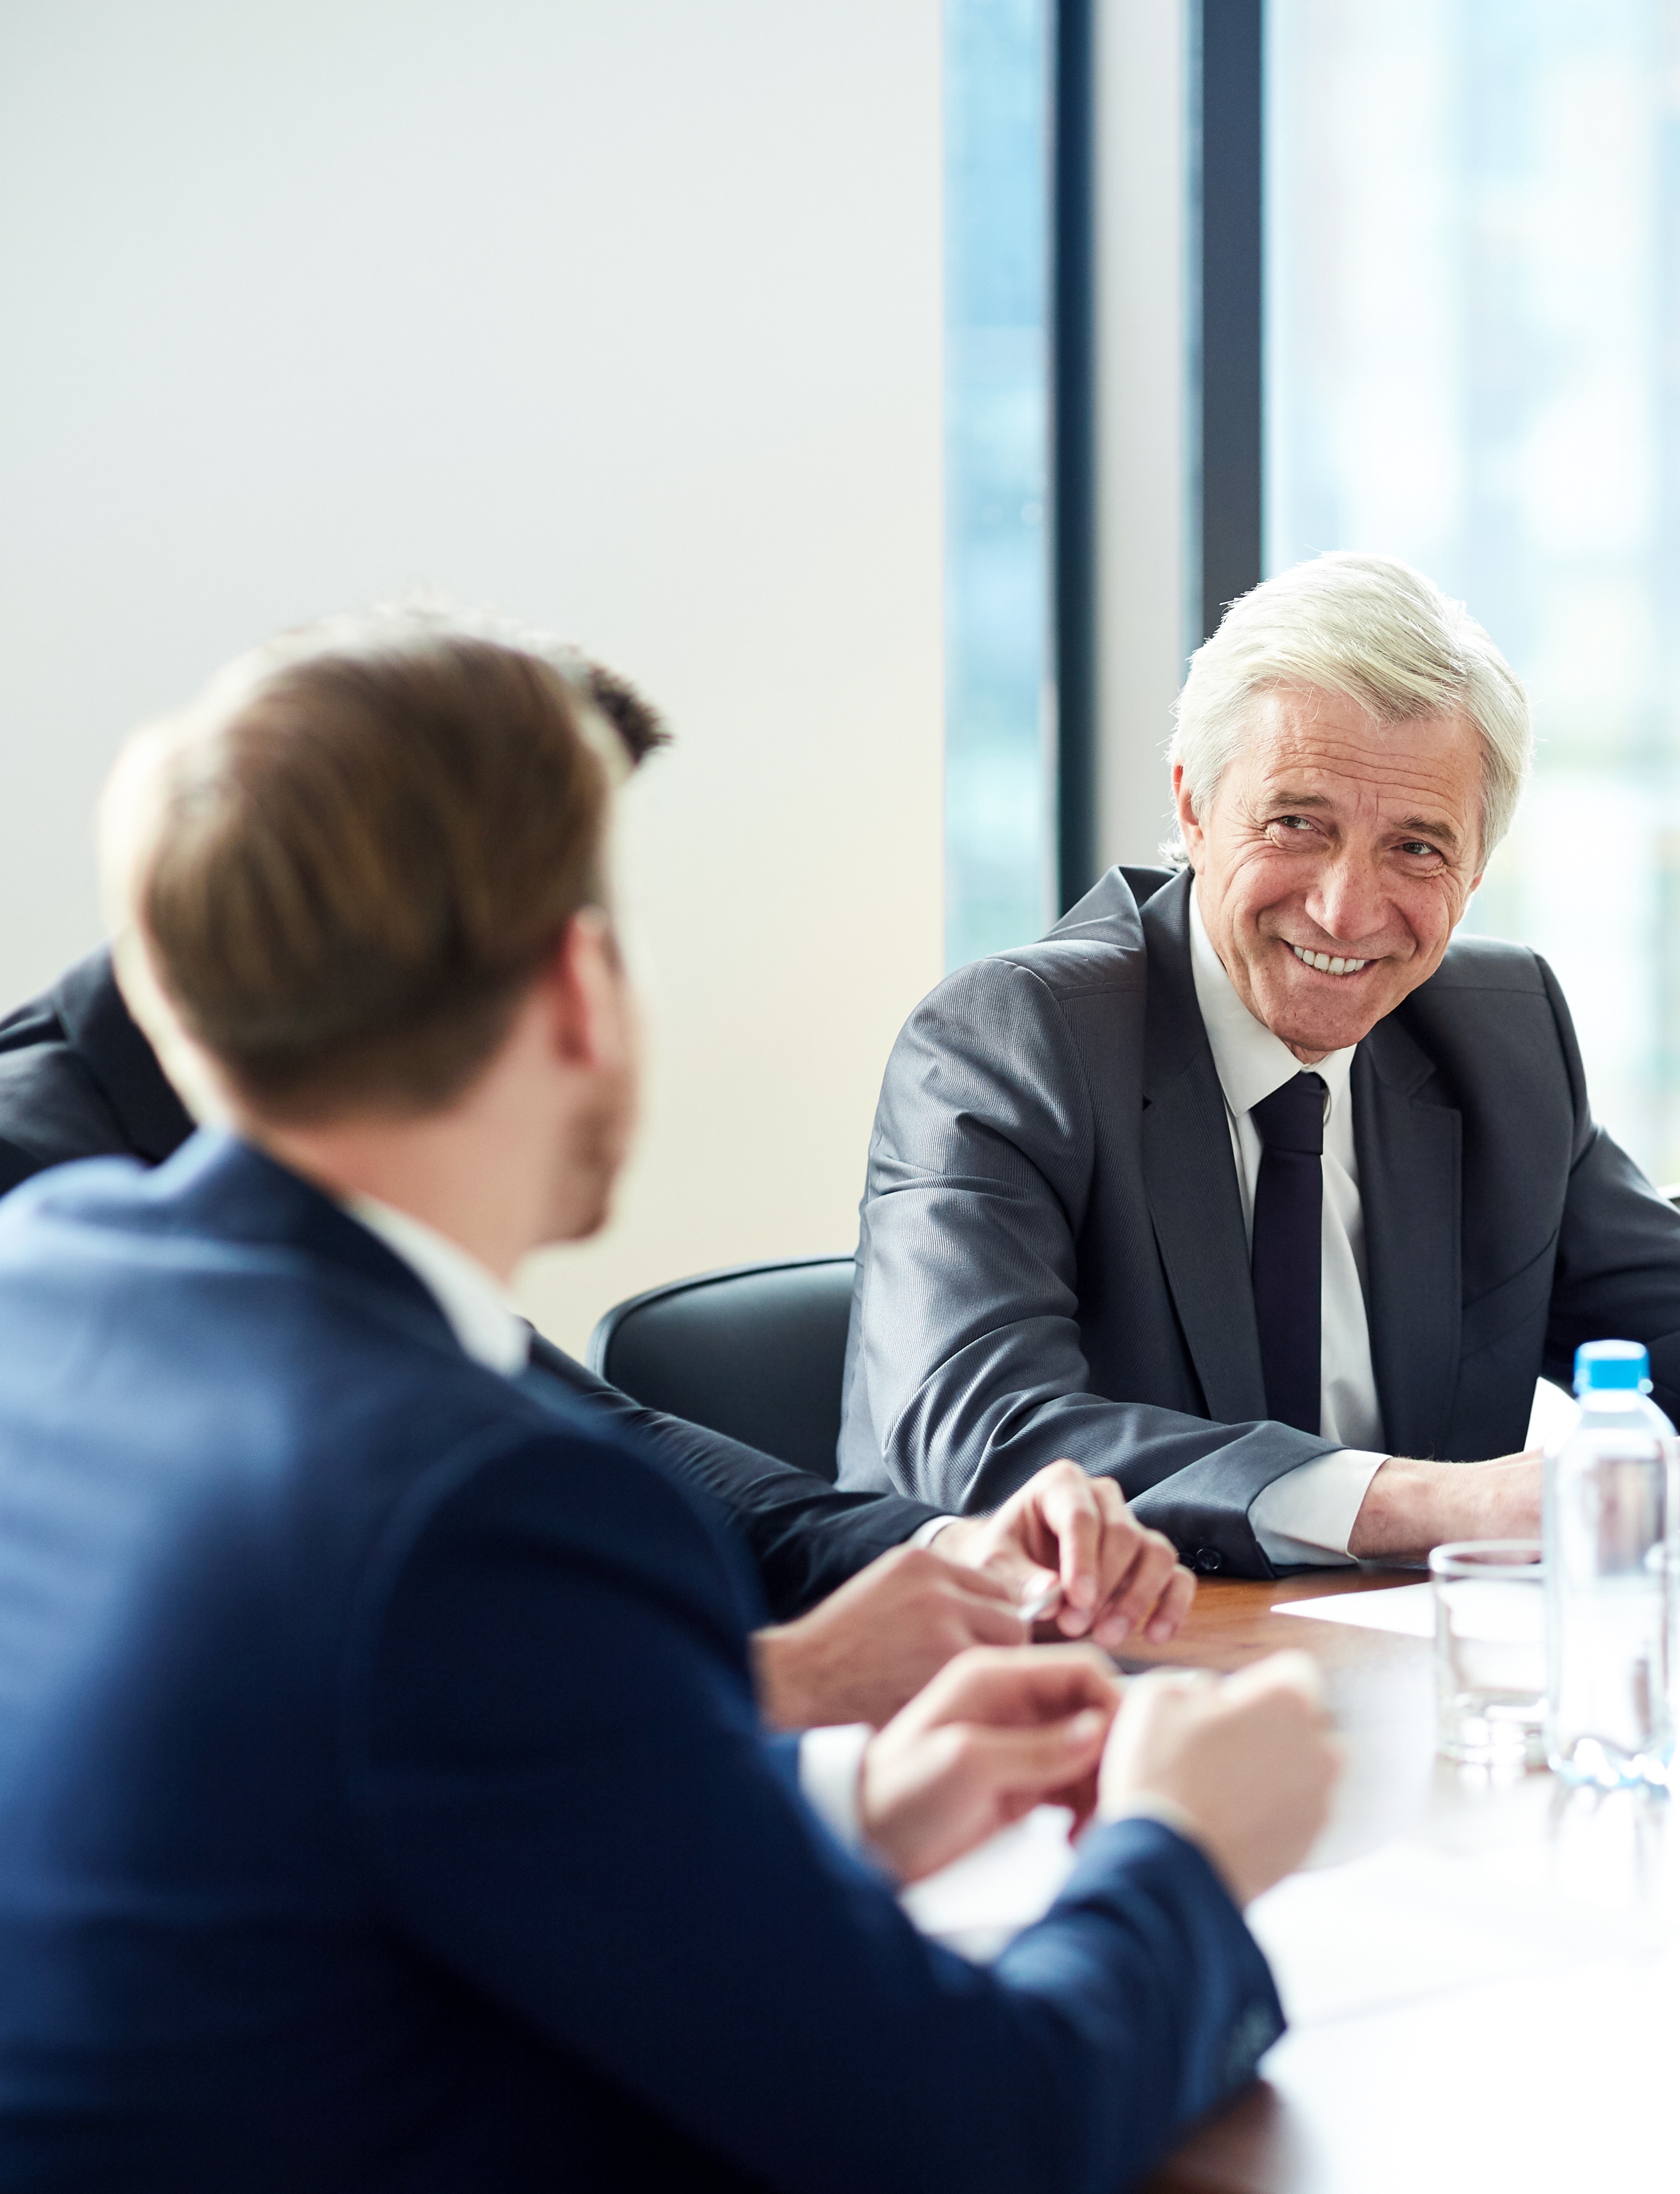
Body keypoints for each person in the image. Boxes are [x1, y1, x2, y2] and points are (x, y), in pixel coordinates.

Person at [0, 609, 1339, 2189]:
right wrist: (1179, 1850)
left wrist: (849, 1795)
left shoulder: (51, 1281)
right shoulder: (478, 1511)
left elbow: (361, 1805)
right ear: (582, 985)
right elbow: (979, 2133)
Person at [0, 625, 1192, 1721]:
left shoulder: (260, 1154)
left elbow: (596, 1426)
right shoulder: (42, 1199)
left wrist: (935, 1550)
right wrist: (781, 1683)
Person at [842, 551, 1680, 1565]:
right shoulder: (1011, 1040)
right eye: (1297, 825)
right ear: (1190, 802)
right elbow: (980, 1438)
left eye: (1416, 848)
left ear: (1476, 871)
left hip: (1409, 1705)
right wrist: (1452, 1504)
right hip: (1061, 1709)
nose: (1345, 908)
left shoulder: (1499, 1033)